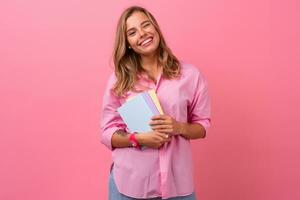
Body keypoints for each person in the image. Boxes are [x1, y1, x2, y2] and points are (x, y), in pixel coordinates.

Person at [100, 6, 211, 200]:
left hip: (178, 187)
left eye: (146, 25)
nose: (142, 34)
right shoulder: (119, 80)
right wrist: (138, 139)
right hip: (130, 186)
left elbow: (202, 126)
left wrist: (179, 127)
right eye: (132, 32)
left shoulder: (191, 75)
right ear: (128, 43)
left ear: (156, 28)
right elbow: (108, 133)